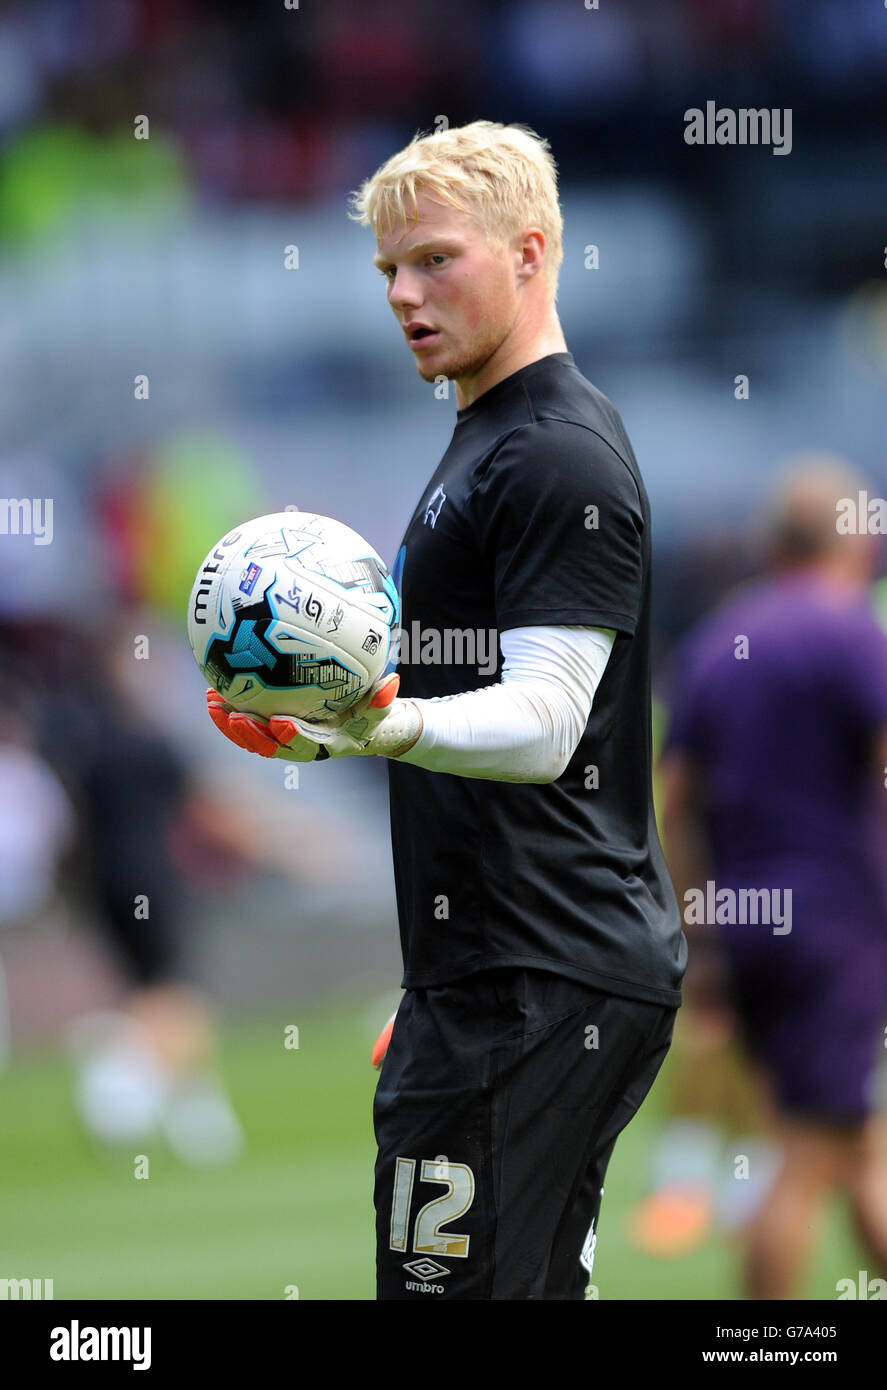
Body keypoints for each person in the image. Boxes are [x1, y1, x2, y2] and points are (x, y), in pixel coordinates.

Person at [207, 121, 686, 1300]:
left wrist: (380, 726)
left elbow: (544, 719)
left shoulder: (553, 455)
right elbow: (459, 708)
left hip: (534, 979)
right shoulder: (485, 439)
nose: (402, 294)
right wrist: (325, 726)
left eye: (433, 260)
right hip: (504, 977)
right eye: (386, 272)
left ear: (530, 253)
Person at [660, 458, 887, 1299]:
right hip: (836, 926)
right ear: (850, 540)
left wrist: (698, 932)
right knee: (806, 1153)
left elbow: (674, 798)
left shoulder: (719, 644)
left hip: (747, 928)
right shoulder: (848, 630)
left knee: (854, 1142)